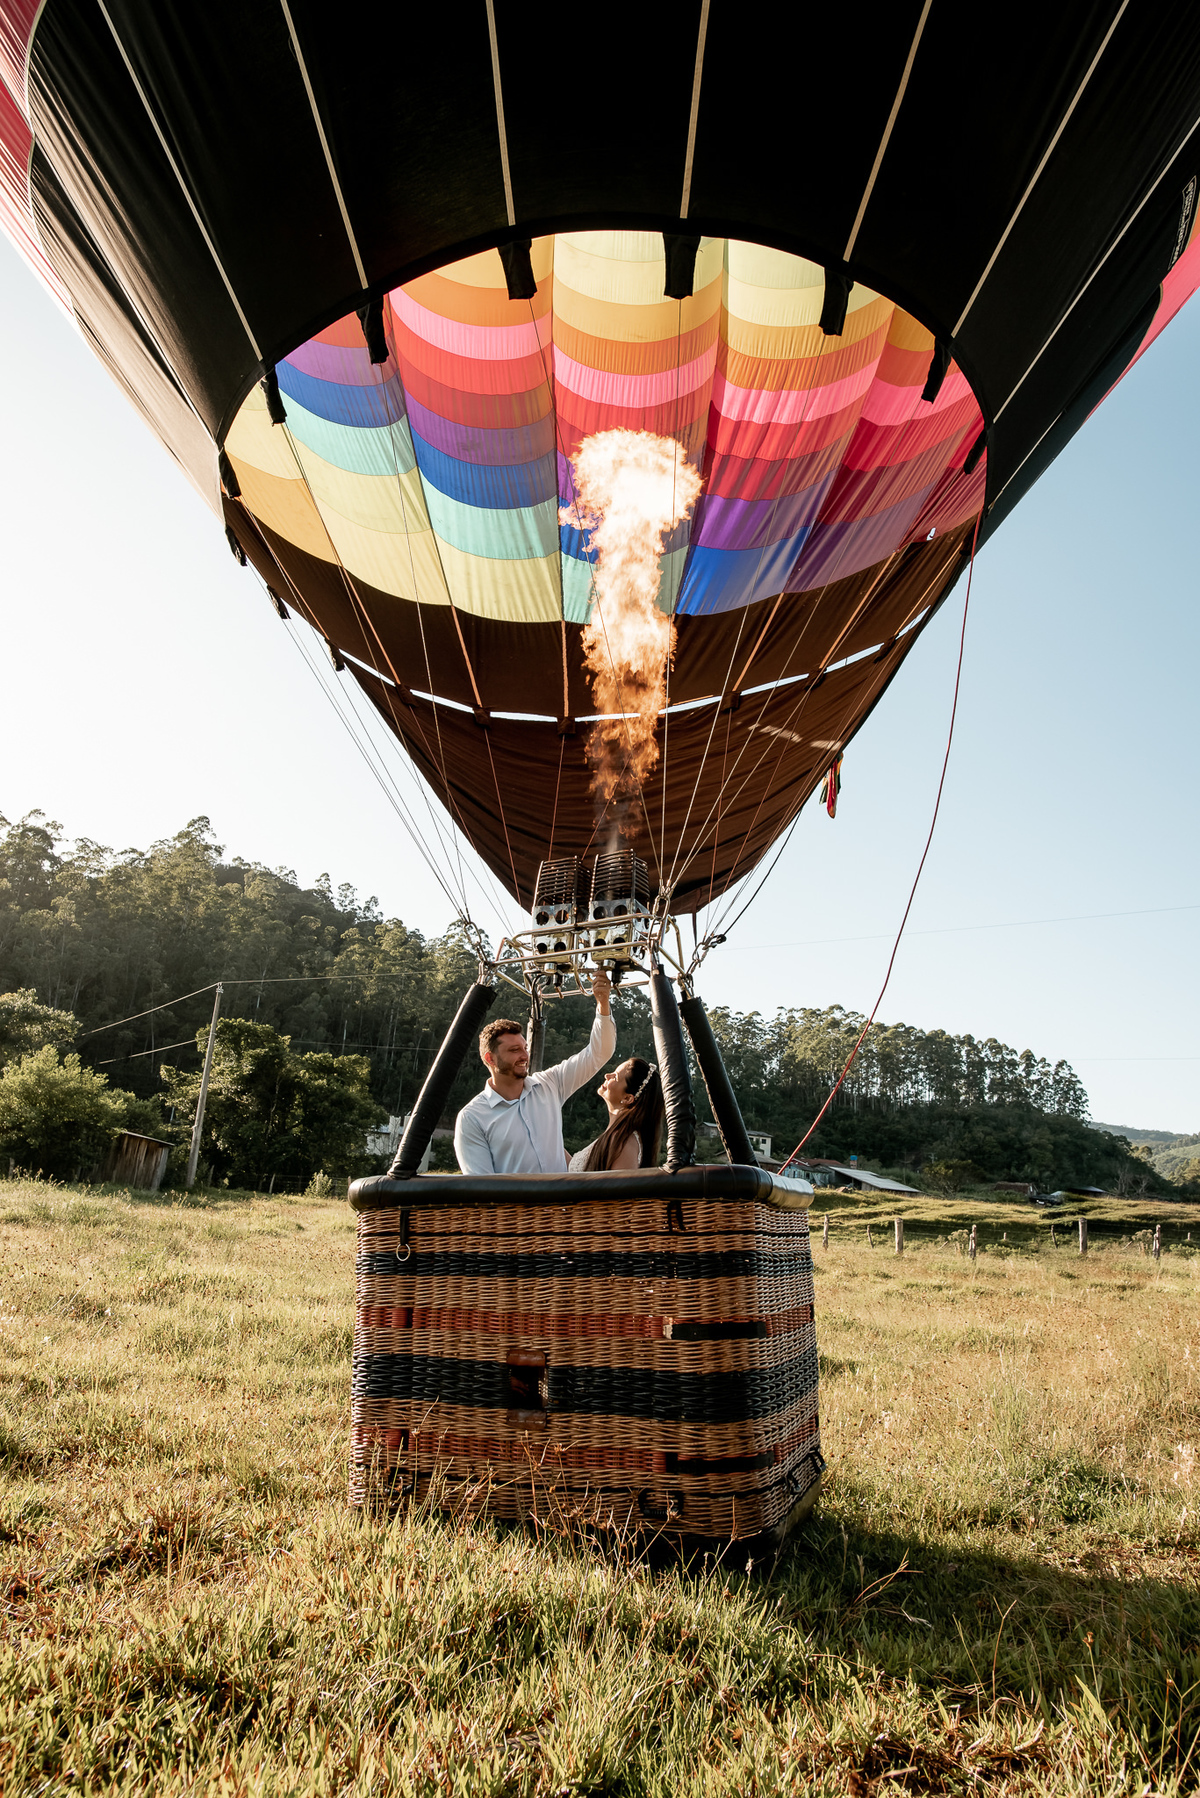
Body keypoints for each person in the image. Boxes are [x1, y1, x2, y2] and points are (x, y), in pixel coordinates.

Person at [454, 969, 615, 1174]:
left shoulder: (550, 1083)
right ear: (490, 1059)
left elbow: (599, 1053)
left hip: (565, 1196)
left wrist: (603, 1003)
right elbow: (481, 1184)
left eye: (525, 1048)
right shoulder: (472, 1117)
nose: (524, 1056)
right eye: (514, 1050)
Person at [568, 1056, 665, 1171]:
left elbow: (618, 1182)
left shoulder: (624, 1143)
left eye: (615, 1076)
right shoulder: (616, 1137)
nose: (607, 1075)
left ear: (628, 1098)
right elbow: (578, 1171)